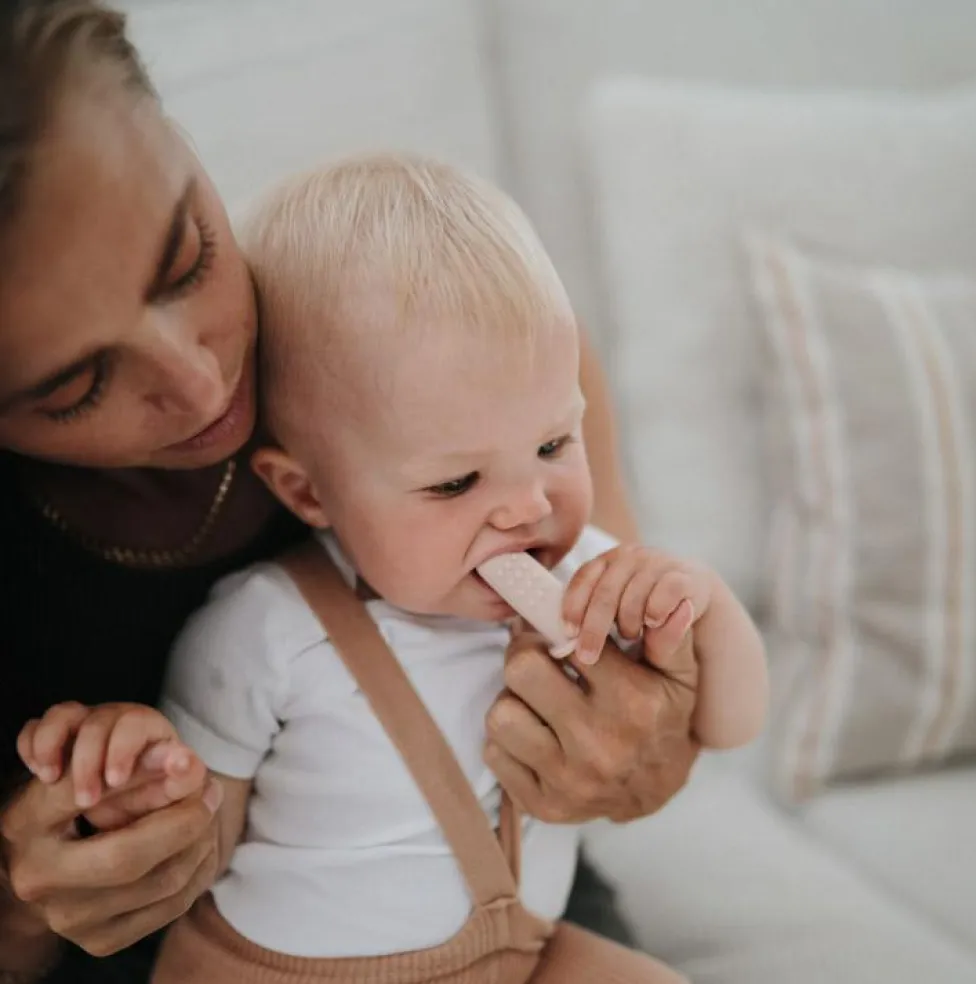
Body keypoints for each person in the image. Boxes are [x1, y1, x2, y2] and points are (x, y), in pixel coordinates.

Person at [0, 2, 700, 981]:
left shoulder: (479, 351)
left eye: (187, 258)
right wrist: (22, 914)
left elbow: (647, 716)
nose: (202, 385)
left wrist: (647, 745)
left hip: (521, 919)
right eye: (76, 387)